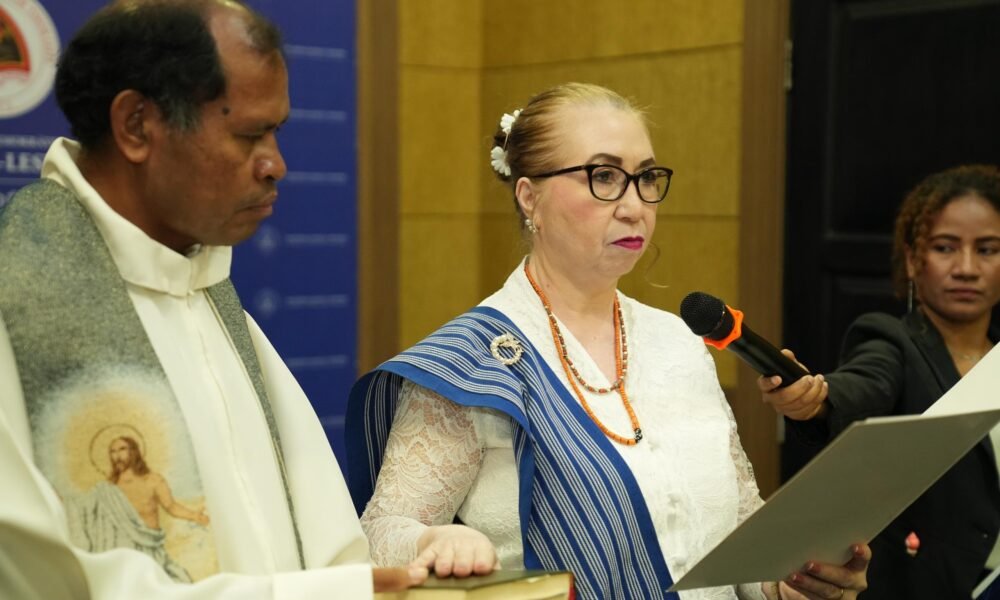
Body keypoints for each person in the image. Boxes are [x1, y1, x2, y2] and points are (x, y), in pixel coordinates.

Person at [346, 82, 870, 600]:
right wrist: (433, 542)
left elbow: (735, 534)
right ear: (530, 197)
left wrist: (789, 586)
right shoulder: (473, 363)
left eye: (646, 178)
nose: (634, 206)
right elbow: (380, 535)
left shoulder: (679, 342)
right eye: (604, 177)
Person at [0, 1, 425, 597]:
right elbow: (47, 582)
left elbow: (321, 542)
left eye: (276, 132)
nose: (276, 165)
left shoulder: (207, 293)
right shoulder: (19, 296)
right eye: (249, 135)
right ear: (136, 126)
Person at [760, 164, 1000, 599]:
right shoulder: (891, 340)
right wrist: (817, 399)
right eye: (945, 248)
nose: (966, 268)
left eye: (987, 249)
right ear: (912, 260)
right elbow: (862, 385)